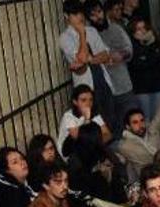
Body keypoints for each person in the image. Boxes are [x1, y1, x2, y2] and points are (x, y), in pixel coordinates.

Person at [114, 65, 160, 184]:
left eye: (142, 120)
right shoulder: (125, 146)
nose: (140, 125)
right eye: (135, 122)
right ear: (128, 127)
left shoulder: (153, 129)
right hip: (150, 183)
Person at [58, 0, 116, 135]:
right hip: (86, 89)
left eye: (81, 13)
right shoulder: (65, 38)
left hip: (103, 83)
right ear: (67, 16)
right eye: (75, 13)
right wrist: (82, 34)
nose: (80, 17)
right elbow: (82, 58)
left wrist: (90, 59)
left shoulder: (92, 31)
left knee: (111, 122)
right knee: (94, 126)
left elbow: (106, 55)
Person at [90, 0, 139, 136]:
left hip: (123, 86)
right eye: (93, 15)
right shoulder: (90, 34)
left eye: (99, 12)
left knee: (134, 124)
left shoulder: (116, 29)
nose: (98, 17)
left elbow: (129, 50)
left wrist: (120, 56)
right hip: (105, 92)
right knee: (115, 131)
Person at [127, 17, 160, 120]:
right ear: (133, 32)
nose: (143, 31)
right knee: (146, 119)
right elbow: (138, 64)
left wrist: (150, 45)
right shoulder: (131, 46)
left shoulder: (155, 42)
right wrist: (146, 47)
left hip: (158, 85)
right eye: (139, 29)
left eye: (144, 27)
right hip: (142, 89)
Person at [58, 84, 112, 156]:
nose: (88, 104)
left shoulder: (94, 113)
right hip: (70, 153)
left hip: (91, 150)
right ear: (75, 102)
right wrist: (87, 119)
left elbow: (108, 134)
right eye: (83, 100)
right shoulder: (68, 116)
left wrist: (97, 142)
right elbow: (80, 138)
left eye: (91, 100)